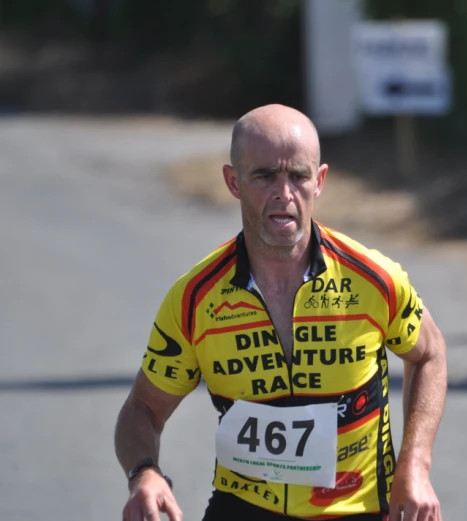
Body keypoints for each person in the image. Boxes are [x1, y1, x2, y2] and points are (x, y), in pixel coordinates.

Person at [114, 104, 448, 521]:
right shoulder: (195, 300)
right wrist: (143, 473)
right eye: (266, 175)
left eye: (299, 176)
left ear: (320, 180)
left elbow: (429, 354)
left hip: (356, 508)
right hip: (246, 508)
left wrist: (415, 465)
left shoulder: (373, 280)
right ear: (233, 182)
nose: (284, 193)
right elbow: (142, 409)